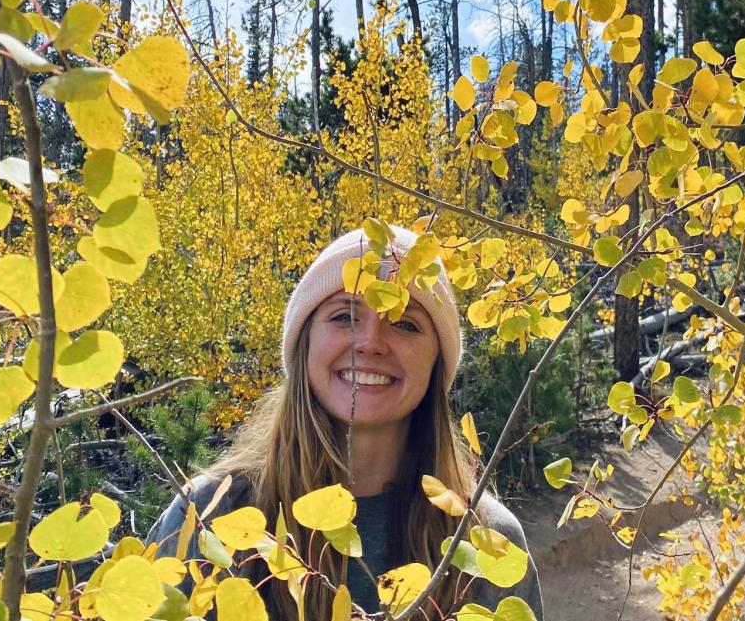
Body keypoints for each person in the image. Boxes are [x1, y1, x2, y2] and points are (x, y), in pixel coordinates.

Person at [146, 224, 543, 620]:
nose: (371, 341)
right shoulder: (206, 518)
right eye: (343, 316)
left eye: (405, 322)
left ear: (436, 364)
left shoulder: (485, 542)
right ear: (305, 345)